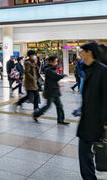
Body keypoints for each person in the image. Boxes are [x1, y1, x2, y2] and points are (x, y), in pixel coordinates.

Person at [77, 42, 107, 180]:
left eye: (82, 52)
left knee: (86, 152)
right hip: (88, 119)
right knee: (84, 152)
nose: (80, 54)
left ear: (89, 52)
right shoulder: (88, 69)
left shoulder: (102, 71)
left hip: (97, 121)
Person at [33, 56, 70, 125]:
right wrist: (63, 75)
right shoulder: (48, 70)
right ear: (50, 62)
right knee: (48, 105)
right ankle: (36, 114)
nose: (56, 63)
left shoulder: (51, 69)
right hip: (50, 91)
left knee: (59, 106)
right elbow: (56, 77)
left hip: (54, 90)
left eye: (57, 61)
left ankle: (61, 120)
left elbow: (55, 77)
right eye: (55, 61)